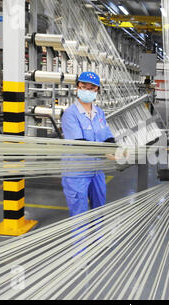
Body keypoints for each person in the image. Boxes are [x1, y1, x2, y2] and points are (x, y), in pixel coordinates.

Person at [61, 71, 115, 217]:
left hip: (96, 170)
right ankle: (81, 240)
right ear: (77, 87)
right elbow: (80, 144)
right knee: (80, 213)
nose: (86, 91)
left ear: (97, 90)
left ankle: (99, 239)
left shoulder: (99, 113)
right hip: (77, 172)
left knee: (99, 210)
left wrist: (116, 149)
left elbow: (107, 135)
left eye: (91, 88)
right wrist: (106, 153)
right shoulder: (70, 114)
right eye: (83, 86)